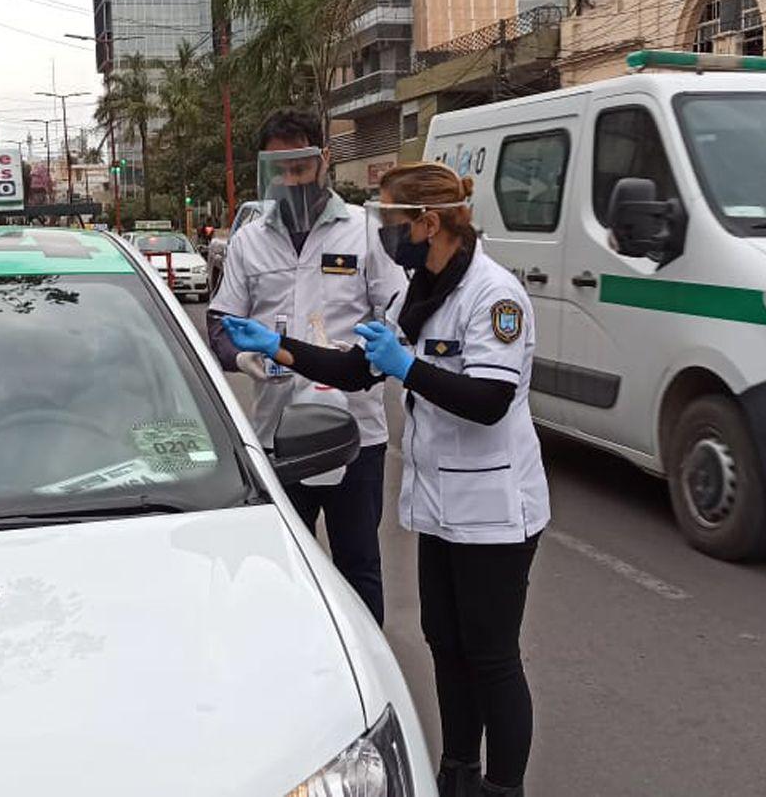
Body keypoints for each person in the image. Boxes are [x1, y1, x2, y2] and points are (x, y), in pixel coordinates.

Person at [222, 161, 548, 797]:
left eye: (392, 221)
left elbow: (489, 401)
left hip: (494, 509)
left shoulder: (494, 295)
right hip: (441, 504)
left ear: (428, 222)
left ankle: (504, 787)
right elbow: (354, 371)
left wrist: (408, 368)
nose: (384, 233)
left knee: (492, 656)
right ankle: (460, 772)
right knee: (445, 645)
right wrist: (279, 343)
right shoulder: (416, 291)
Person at [206, 108, 405, 625]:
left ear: (324, 161)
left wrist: (368, 361)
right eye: (280, 169)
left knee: (358, 562)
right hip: (276, 431)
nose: (291, 180)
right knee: (283, 563)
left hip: (355, 431)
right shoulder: (249, 240)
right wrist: (242, 356)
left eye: (300, 166)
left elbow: (399, 319)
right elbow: (221, 321)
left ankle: (366, 671)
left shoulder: (366, 231)